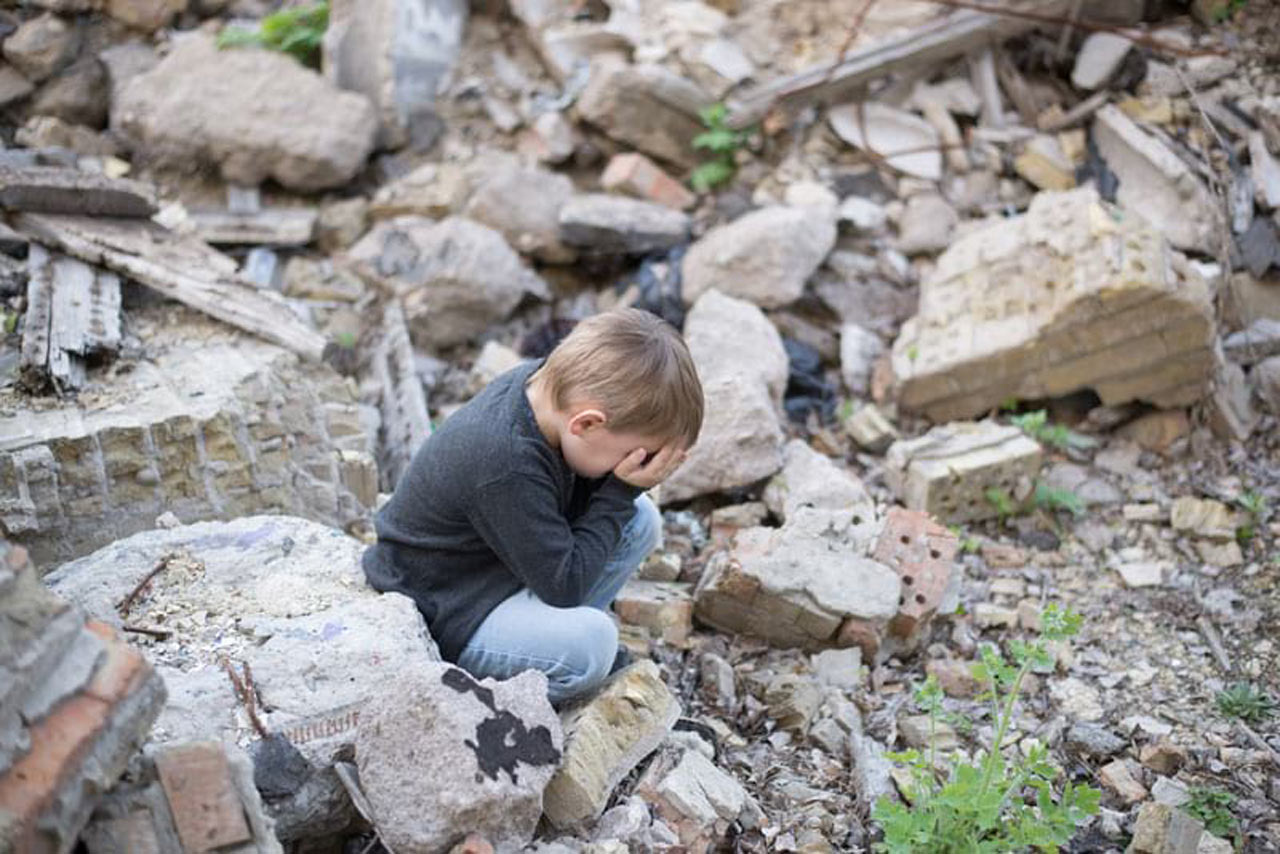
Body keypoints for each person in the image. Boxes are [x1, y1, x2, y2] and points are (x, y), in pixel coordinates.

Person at [362, 308, 704, 705]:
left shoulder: (548, 391)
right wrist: (619, 490)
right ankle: (498, 695)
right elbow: (565, 585)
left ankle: (544, 636)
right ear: (587, 424)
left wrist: (622, 490)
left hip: (493, 570)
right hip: (443, 608)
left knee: (640, 520)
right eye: (632, 455)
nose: (635, 466)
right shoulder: (504, 459)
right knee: (592, 646)